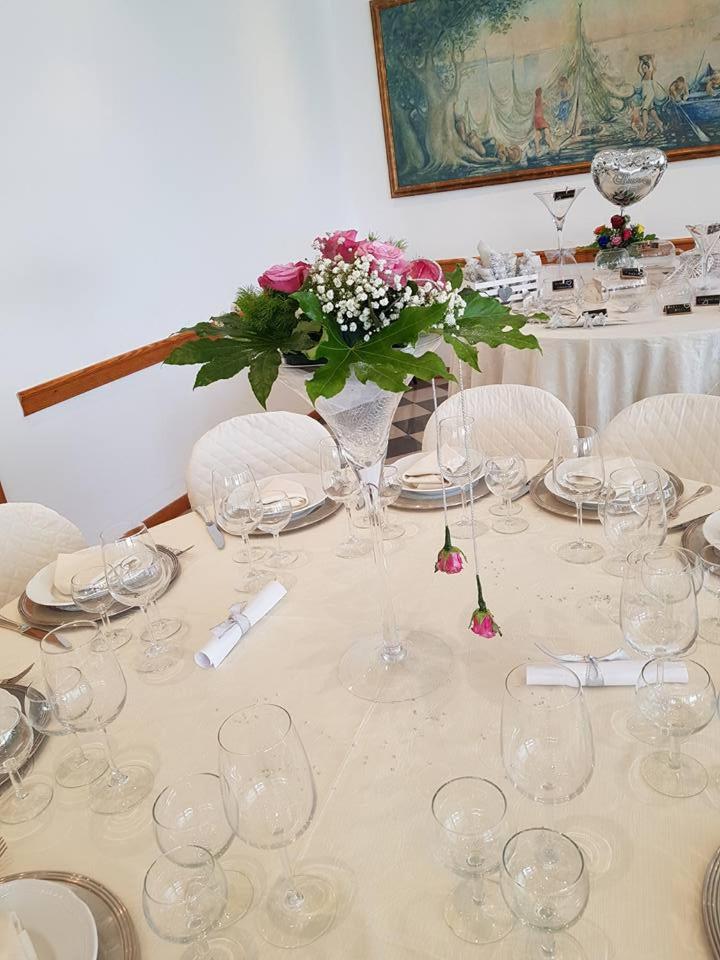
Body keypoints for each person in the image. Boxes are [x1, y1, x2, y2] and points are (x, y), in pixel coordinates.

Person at [637, 55, 664, 138]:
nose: (643, 69)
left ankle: (645, 129)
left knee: (644, 110)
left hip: (650, 94)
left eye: (645, 68)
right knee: (651, 110)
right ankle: (659, 123)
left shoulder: (650, 73)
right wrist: (640, 61)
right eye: (643, 68)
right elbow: (638, 70)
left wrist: (652, 60)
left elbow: (655, 68)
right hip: (645, 95)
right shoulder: (643, 75)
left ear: (648, 68)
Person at [533, 86, 555, 155]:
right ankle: (552, 147)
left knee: (537, 134)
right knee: (547, 131)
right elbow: (547, 105)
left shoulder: (535, 99)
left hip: (536, 119)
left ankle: (537, 149)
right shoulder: (540, 98)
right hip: (540, 118)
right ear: (540, 93)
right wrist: (549, 105)